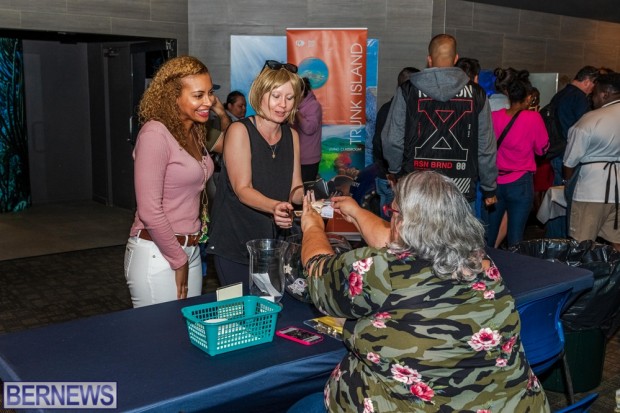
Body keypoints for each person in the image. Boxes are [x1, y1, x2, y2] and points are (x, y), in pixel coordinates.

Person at [292, 170, 550, 412]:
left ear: (402, 222)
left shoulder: (379, 269)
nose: (388, 217)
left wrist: (312, 226)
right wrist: (357, 213)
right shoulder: (481, 263)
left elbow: (319, 271)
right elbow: (394, 239)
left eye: (391, 212)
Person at [124, 56, 216, 308]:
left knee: (186, 337)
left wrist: (186, 256)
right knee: (158, 342)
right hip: (157, 253)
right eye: (198, 95)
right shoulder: (155, 134)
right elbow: (149, 210)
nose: (208, 101)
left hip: (190, 249)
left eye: (210, 93)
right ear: (173, 96)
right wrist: (178, 259)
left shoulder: (194, 131)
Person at [206, 60, 304, 290]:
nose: (283, 105)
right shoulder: (239, 131)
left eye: (289, 98)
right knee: (237, 314)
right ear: (261, 94)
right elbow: (243, 189)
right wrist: (276, 207)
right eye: (276, 96)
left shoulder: (292, 136)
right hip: (235, 242)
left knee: (270, 309)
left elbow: (295, 188)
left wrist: (316, 199)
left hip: (272, 244)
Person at [381, 34, 498, 213]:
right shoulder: (478, 94)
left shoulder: (407, 90)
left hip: (417, 188)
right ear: (456, 58)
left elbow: (391, 140)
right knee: (461, 240)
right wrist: (489, 186)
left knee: (416, 240)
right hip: (461, 189)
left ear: (429, 59)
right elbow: (486, 146)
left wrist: (396, 171)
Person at [486, 70, 549, 248]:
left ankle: (487, 268)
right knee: (516, 236)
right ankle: (515, 272)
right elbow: (542, 149)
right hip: (520, 182)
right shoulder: (534, 117)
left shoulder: (494, 116)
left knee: (490, 232)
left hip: (495, 181)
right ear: (528, 98)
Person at [563, 73, 620, 251]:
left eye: (594, 93)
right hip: (618, 190)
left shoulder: (590, 119)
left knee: (581, 242)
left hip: (590, 190)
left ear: (605, 94)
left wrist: (567, 183)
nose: (591, 98)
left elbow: (570, 161)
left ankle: (583, 277)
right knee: (616, 241)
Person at [546, 66, 600, 238]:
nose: (594, 91)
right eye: (594, 86)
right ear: (587, 81)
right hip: (569, 155)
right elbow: (584, 130)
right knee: (570, 199)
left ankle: (554, 238)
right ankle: (565, 240)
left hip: (556, 152)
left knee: (557, 198)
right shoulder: (579, 99)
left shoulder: (560, 95)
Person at [372, 66, 419, 220]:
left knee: (387, 227)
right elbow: (387, 143)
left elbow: (377, 143)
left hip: (386, 175)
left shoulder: (385, 108)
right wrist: (392, 172)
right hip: (395, 177)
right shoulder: (410, 113)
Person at [294, 77, 323, 183]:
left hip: (308, 160)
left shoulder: (314, 105)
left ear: (301, 92)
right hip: (296, 158)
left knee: (305, 193)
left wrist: (296, 112)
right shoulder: (295, 105)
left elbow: (309, 128)